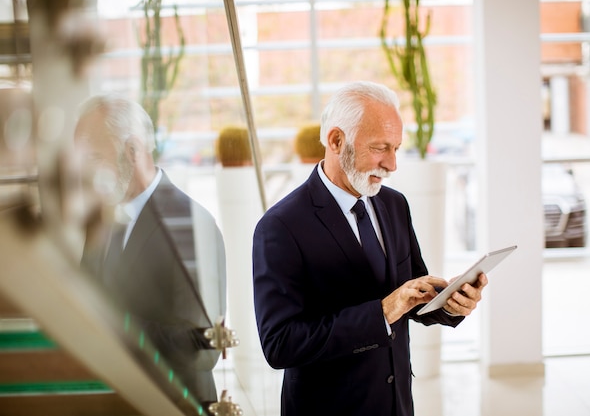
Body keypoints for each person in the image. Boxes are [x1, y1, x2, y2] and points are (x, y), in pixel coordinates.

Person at [252, 81, 488, 416]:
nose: (392, 165)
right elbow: (280, 344)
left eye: (396, 148)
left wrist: (451, 304)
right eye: (380, 148)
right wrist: (383, 311)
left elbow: (413, 293)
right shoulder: (280, 227)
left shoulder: (394, 205)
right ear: (336, 140)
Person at [75, 95, 226, 408]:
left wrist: (112, 324)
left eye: (92, 158)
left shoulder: (189, 223)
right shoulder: (100, 218)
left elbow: (203, 349)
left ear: (131, 151)